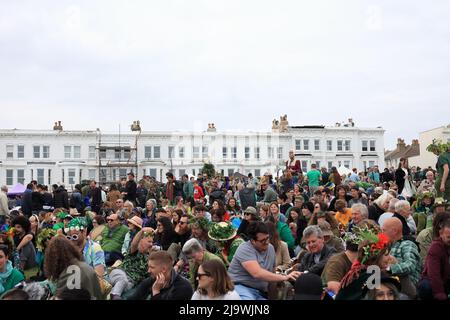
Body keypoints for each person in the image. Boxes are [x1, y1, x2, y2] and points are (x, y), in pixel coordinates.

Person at [228, 221, 301, 300]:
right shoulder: (245, 249)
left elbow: (271, 276)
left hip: (259, 292)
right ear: (253, 241)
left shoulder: (270, 248)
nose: (266, 242)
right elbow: (257, 273)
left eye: (267, 238)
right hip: (239, 286)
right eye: (263, 240)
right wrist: (285, 277)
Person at [335, 227, 391, 300]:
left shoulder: (358, 272)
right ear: (376, 257)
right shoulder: (376, 276)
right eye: (386, 255)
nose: (389, 258)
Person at [109, 227, 157, 299]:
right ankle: (115, 295)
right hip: (120, 272)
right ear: (141, 241)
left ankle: (111, 294)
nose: (151, 244)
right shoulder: (135, 251)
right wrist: (141, 231)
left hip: (131, 282)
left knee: (126, 288)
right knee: (122, 280)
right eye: (149, 242)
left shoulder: (149, 259)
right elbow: (134, 243)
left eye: (152, 242)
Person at [125, 251, 193, 300]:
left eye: (152, 267)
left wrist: (156, 292)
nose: (148, 271)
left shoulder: (183, 287)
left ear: (163, 269)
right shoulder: (151, 280)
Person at [382, 217, 421, 298]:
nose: (382, 233)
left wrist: (390, 269)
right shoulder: (387, 245)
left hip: (407, 287)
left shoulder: (407, 244)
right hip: (390, 283)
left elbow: (410, 265)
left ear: (394, 231)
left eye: (384, 230)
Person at [417, 213, 450, 300]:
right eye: (449, 237)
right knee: (426, 286)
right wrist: (440, 294)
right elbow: (434, 274)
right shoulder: (436, 247)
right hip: (437, 279)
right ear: (441, 233)